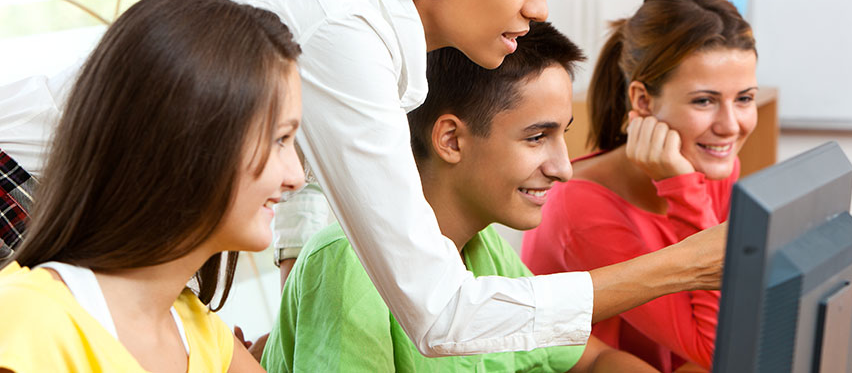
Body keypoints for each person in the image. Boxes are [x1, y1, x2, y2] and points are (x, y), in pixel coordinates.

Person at [0, 0, 725, 357]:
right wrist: (685, 266)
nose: (538, 6)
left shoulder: (346, 5)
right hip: (23, 188)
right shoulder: (344, 31)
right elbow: (438, 311)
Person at [261, 22, 657, 372]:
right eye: (537, 137)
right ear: (450, 139)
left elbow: (593, 359)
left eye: (562, 135)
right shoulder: (348, 262)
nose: (564, 167)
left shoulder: (488, 253)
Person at [0, 0, 305, 372]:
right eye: (280, 139)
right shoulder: (30, 329)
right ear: (189, 143)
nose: (295, 176)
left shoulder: (202, 333)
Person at [522, 0, 758, 372]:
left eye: (744, 98)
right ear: (643, 101)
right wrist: (683, 192)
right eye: (704, 101)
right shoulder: (579, 207)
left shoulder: (715, 167)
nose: (730, 126)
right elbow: (718, 350)